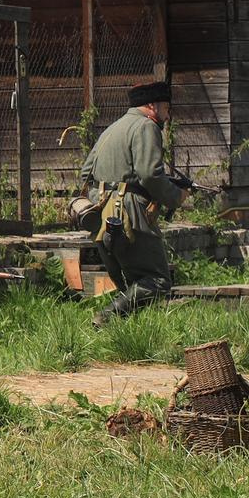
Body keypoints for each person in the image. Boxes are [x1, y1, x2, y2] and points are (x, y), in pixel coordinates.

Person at [81, 79, 186, 325]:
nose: (168, 115)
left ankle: (127, 332)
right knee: (157, 280)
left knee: (129, 282)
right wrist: (176, 196)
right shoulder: (147, 126)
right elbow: (149, 174)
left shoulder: (112, 128)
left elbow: (86, 173)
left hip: (101, 212)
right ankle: (106, 319)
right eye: (166, 108)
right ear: (152, 106)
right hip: (128, 211)